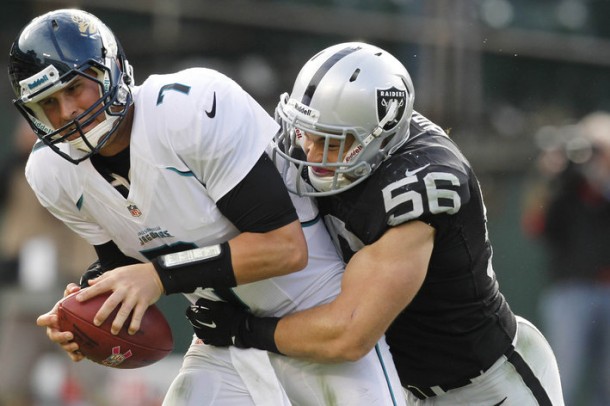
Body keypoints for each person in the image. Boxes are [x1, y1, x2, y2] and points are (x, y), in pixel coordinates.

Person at [9, 10, 404, 405]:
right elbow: (124, 268)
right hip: (222, 340)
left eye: (75, 87)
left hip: (313, 315)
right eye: (48, 103)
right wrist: (89, 314)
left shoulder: (187, 109)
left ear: (110, 70)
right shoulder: (51, 171)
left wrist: (159, 276)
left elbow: (284, 248)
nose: (67, 112)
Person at [186, 42, 566, 405]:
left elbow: (350, 334)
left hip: (487, 387)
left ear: (379, 137)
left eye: (332, 143)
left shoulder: (419, 185)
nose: (311, 154)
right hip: (403, 387)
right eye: (307, 134)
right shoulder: (333, 140)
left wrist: (243, 330)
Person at [525, 113, 610, 406]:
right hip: (570, 292)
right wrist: (549, 176)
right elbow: (535, 225)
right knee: (563, 378)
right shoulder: (564, 189)